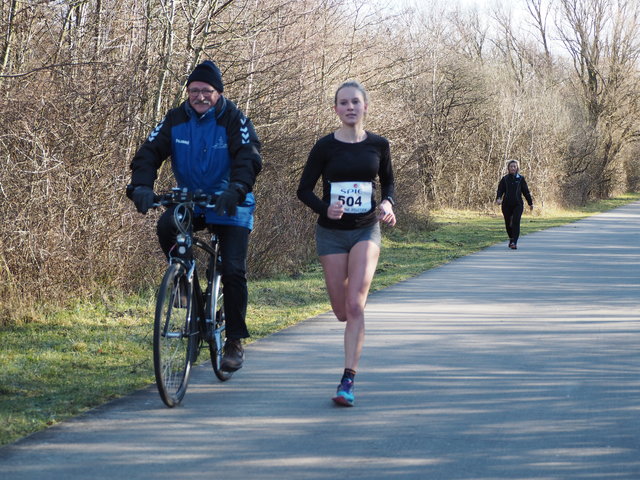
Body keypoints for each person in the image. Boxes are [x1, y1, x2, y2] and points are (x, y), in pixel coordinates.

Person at [126, 60, 262, 372]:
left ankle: (235, 341)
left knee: (232, 270)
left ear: (219, 92)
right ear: (187, 92)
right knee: (166, 225)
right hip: (193, 200)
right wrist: (142, 186)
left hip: (231, 201)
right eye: (194, 91)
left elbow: (248, 156)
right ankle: (184, 283)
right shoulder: (174, 119)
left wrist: (238, 187)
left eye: (207, 91)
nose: (200, 96)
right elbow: (149, 152)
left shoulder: (234, 118)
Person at [297, 80, 396, 407]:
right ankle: (348, 368)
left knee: (355, 305)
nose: (350, 107)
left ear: (365, 106)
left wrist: (388, 204)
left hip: (366, 230)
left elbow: (389, 182)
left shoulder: (379, 145)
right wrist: (326, 208)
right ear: (336, 109)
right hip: (331, 232)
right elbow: (304, 190)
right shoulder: (325, 146)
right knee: (341, 311)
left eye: (356, 101)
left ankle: (348, 380)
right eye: (344, 103)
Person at [495, 159, 533, 250]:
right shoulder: (505, 179)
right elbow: (500, 190)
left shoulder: (521, 179)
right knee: (508, 223)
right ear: (508, 168)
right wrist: (499, 198)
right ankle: (511, 238)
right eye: (511, 166)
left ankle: (514, 242)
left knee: (516, 222)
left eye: (514, 166)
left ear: (517, 168)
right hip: (506, 205)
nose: (513, 168)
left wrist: (530, 203)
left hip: (518, 204)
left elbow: (526, 192)